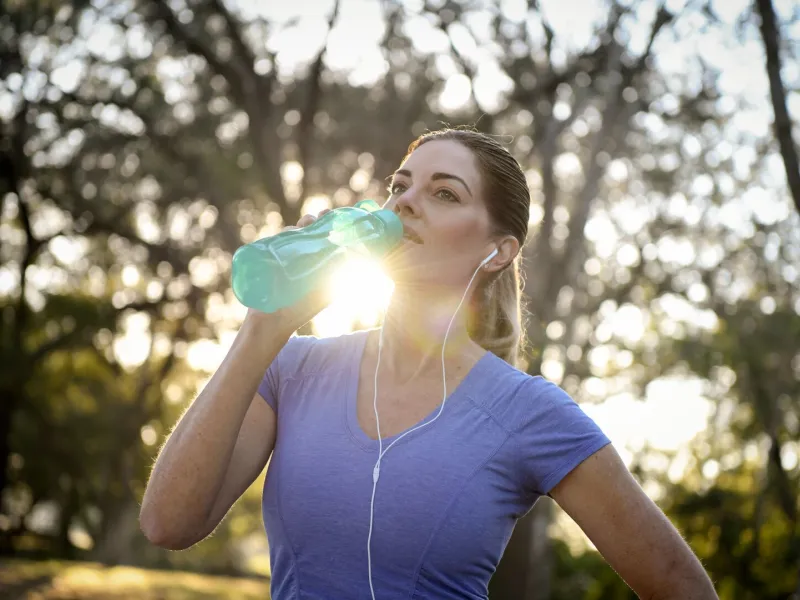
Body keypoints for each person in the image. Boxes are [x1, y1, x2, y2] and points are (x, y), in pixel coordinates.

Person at [139, 129, 718, 599]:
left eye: (444, 193)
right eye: (400, 186)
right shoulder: (291, 367)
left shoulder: (529, 413)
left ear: (497, 251)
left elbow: (682, 588)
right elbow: (168, 526)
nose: (405, 202)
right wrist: (261, 330)